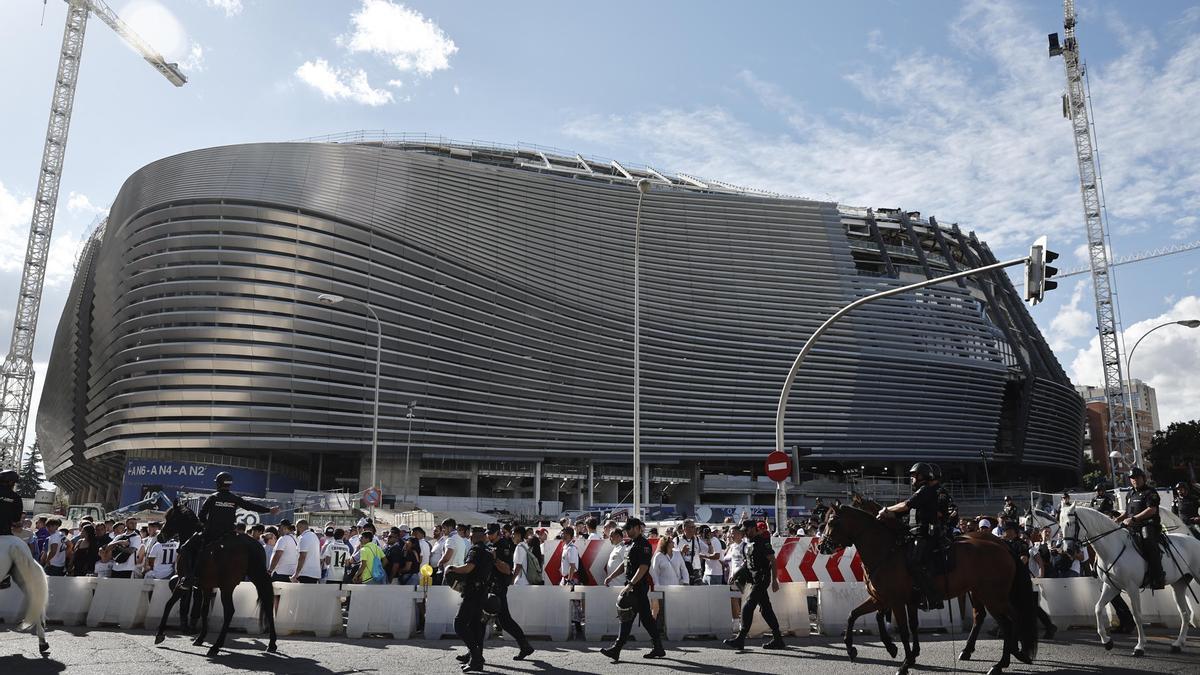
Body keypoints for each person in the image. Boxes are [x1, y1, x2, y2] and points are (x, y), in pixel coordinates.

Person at [180, 471, 277, 590]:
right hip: (229, 535)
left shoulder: (212, 497)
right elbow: (250, 506)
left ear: (218, 484)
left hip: (211, 534)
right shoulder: (234, 498)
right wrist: (269, 510)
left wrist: (207, 525)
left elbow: (201, 516)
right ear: (229, 484)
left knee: (185, 548)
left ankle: (189, 578)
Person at [879, 462, 944, 610]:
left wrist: (886, 509)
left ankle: (933, 598)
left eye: (914, 476)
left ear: (923, 476)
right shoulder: (921, 491)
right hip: (915, 533)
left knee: (915, 562)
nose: (912, 479)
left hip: (926, 534)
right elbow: (904, 511)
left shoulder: (926, 490)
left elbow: (906, 505)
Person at [600, 517, 665, 662]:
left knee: (626, 617)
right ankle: (658, 647)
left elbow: (643, 567)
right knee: (645, 619)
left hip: (638, 588)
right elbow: (625, 565)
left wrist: (631, 584)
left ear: (637, 528)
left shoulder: (644, 545)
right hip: (634, 588)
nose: (627, 532)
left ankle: (616, 649)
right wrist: (611, 576)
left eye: (629, 529)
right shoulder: (630, 545)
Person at [724, 521, 785, 650]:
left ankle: (740, 639)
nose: (744, 533)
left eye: (746, 530)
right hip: (753, 580)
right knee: (766, 609)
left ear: (752, 529)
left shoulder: (763, 542)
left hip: (762, 579)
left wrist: (774, 580)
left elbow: (773, 561)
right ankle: (778, 639)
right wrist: (736, 574)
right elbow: (748, 563)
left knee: (748, 606)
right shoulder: (747, 544)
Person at [481, 523, 534, 661]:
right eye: (487, 533)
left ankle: (474, 655)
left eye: (491, 533)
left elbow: (507, 570)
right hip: (490, 588)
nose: (488, 536)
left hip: (497, 589)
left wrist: (495, 559)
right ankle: (525, 646)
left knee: (485, 621)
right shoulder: (490, 546)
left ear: (498, 533)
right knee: (502, 621)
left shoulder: (504, 546)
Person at [446, 526, 494, 672]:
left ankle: (476, 657)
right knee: (476, 627)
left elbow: (468, 568)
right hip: (483, 592)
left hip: (473, 593)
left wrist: (452, 568)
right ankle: (476, 661)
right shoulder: (488, 552)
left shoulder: (475, 550)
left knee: (459, 624)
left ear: (473, 537)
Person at [1122, 467, 1165, 589]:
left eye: (1137, 478)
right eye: (1132, 478)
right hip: (1132, 526)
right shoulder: (1130, 493)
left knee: (1148, 540)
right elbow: (1126, 514)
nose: (1135, 480)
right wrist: (1115, 520)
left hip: (1149, 525)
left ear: (1143, 478)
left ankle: (1158, 577)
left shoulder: (1150, 492)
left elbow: (1152, 510)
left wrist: (1134, 519)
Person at [293, 519, 322, 583]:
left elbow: (302, 557)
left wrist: (296, 574)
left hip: (305, 574)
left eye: (296, 527)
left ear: (300, 526)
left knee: (303, 593)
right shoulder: (314, 536)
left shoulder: (304, 538)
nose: (296, 530)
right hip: (315, 574)